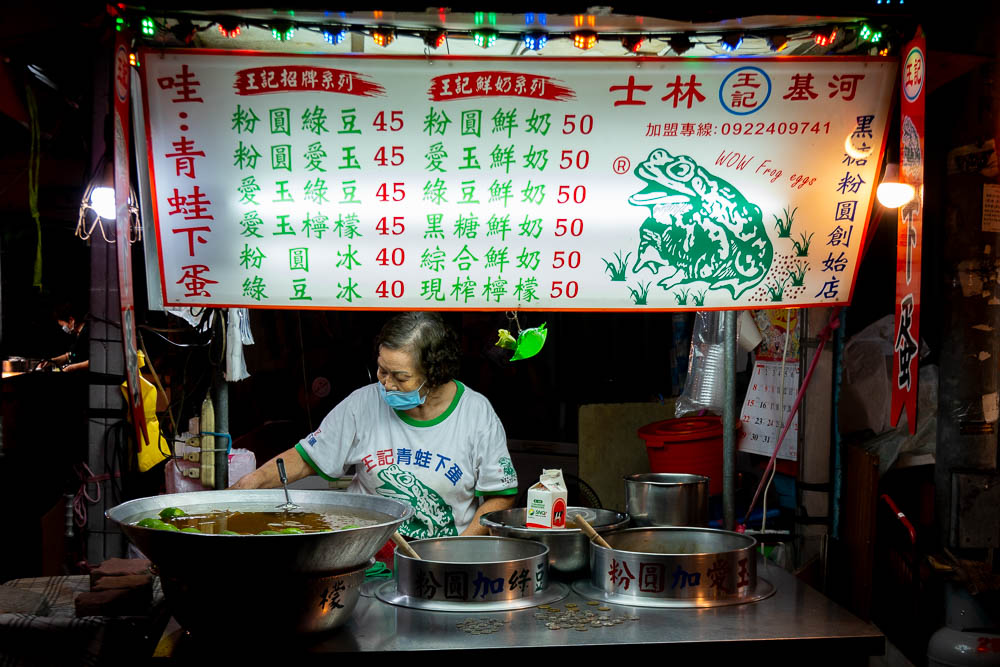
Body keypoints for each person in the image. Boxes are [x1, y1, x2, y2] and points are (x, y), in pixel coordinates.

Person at [232, 312, 519, 538]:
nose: (386, 383)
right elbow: (307, 458)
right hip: (364, 553)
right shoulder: (362, 404)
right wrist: (250, 484)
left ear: (435, 374)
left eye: (401, 377)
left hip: (437, 558)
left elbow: (500, 497)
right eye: (382, 370)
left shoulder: (475, 413)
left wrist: (456, 550)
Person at [37, 302, 89, 373]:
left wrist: (71, 368)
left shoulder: (88, 333)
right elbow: (70, 356)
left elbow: (94, 361)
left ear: (71, 320)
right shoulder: (77, 334)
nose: (63, 328)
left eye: (63, 326)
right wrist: (51, 361)